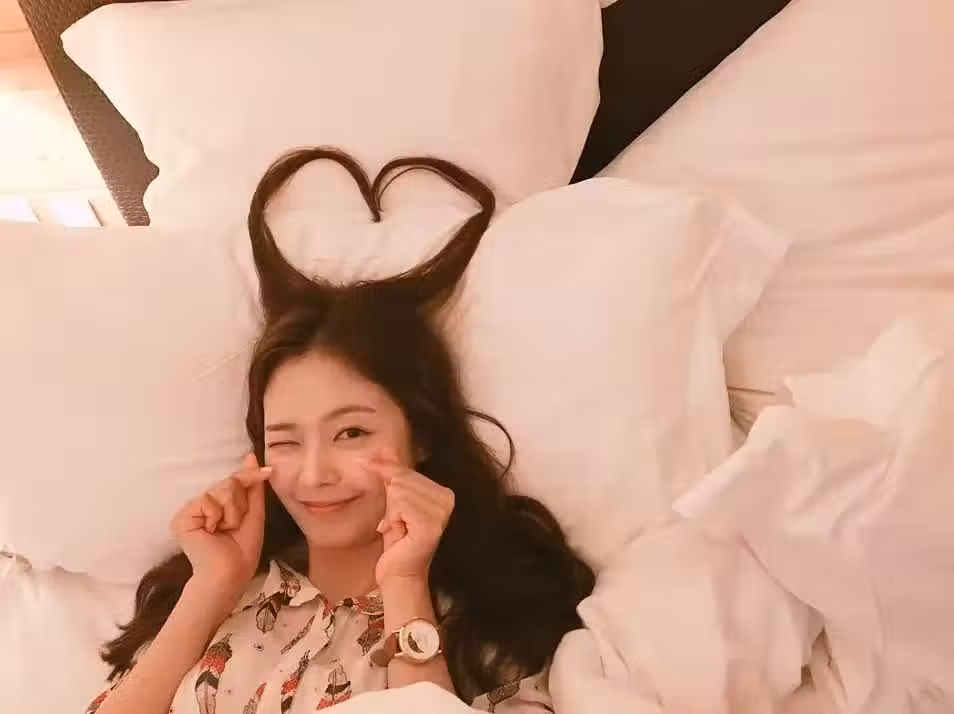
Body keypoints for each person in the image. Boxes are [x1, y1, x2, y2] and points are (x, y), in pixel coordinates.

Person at [86, 149, 595, 714]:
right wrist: (211, 585)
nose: (314, 474)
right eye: (285, 440)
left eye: (351, 433)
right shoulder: (220, 595)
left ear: (422, 435)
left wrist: (405, 585)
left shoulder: (491, 622)